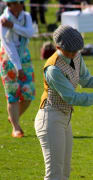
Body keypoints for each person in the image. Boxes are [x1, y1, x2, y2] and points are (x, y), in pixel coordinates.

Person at [34, 25, 93, 180]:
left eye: (77, 50)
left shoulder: (75, 55)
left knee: (64, 173)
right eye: (71, 50)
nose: (75, 53)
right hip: (50, 119)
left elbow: (86, 79)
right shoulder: (53, 69)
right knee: (54, 174)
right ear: (58, 47)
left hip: (65, 118)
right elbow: (72, 98)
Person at [0, 0, 35, 138]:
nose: (13, 7)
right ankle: (16, 128)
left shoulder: (26, 16)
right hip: (8, 59)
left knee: (28, 93)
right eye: (10, 4)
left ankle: (13, 117)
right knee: (13, 94)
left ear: (21, 4)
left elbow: (30, 33)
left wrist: (13, 26)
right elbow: (8, 45)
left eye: (16, 3)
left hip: (24, 56)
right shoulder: (2, 20)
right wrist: (18, 67)